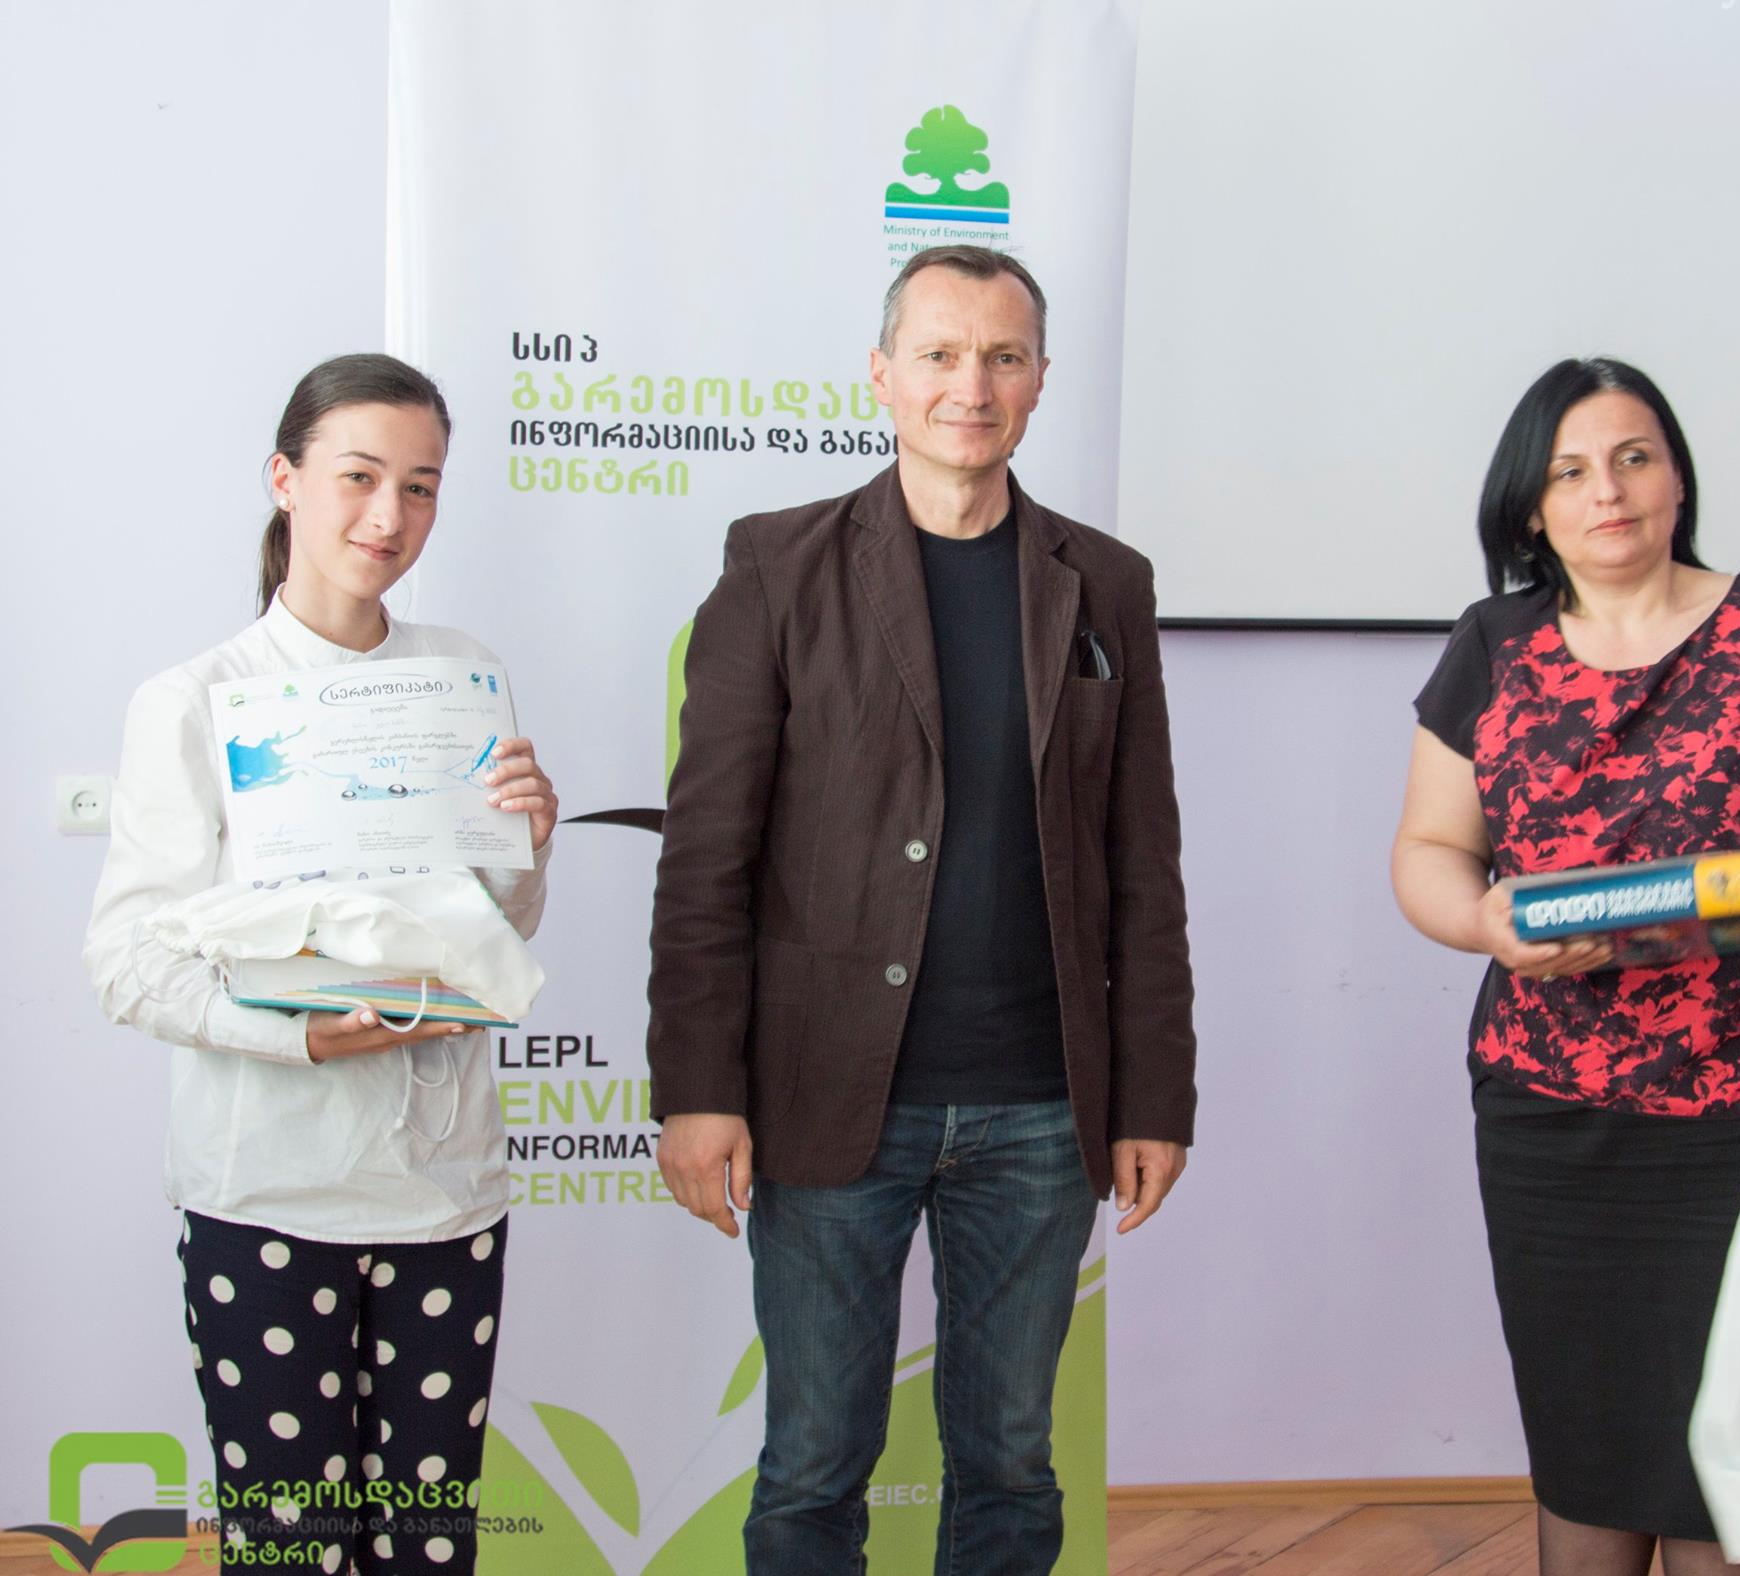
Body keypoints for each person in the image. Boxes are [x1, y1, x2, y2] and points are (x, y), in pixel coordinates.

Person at [646, 244, 1198, 1572]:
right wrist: (697, 1086)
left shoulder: (1105, 582)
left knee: (1010, 1464)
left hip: (1041, 1105)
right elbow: (706, 859)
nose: (972, 386)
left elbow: (1143, 863)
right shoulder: (776, 567)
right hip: (831, 1092)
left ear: (1041, 379)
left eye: (1002, 357)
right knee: (813, 1465)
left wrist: (1154, 1095)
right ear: (881, 374)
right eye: (940, 354)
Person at [1389, 357, 1740, 1576]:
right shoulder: (1489, 644)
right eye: (1569, 472)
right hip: (1551, 1120)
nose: (1607, 491)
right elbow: (1426, 852)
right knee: (1586, 1460)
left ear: (1676, 477)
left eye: (1632, 457)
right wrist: (1482, 923)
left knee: (1733, 1470)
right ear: (1529, 508)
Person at [83, 353, 557, 1576]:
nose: (388, 515)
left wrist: (528, 841)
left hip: (445, 1192)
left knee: (429, 1542)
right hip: (269, 1195)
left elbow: (489, 932)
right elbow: (127, 961)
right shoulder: (195, 700)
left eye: (420, 485)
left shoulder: (459, 675)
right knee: (290, 1544)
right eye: (358, 476)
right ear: (284, 479)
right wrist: (295, 1034)